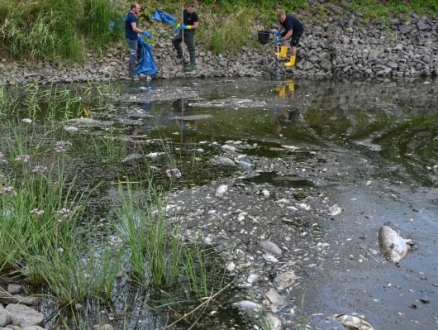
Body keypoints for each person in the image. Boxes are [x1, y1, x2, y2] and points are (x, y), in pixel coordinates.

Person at [125, 3, 152, 78]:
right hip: (132, 39)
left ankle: (138, 66)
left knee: (139, 49)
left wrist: (139, 37)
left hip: (134, 37)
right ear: (133, 8)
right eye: (138, 8)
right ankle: (131, 74)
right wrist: (144, 32)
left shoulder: (130, 15)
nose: (139, 10)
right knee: (133, 55)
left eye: (139, 8)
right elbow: (134, 28)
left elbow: (133, 30)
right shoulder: (132, 17)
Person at [172, 3, 199, 72]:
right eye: (190, 9)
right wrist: (177, 27)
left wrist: (187, 27)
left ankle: (192, 65)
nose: (191, 10)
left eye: (192, 9)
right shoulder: (184, 11)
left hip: (189, 33)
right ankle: (180, 53)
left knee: (191, 48)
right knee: (174, 41)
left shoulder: (195, 15)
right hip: (182, 31)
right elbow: (181, 20)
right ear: (187, 8)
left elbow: (196, 26)